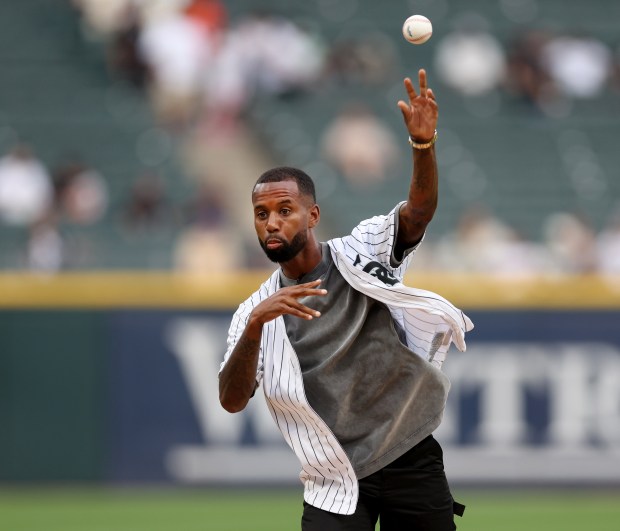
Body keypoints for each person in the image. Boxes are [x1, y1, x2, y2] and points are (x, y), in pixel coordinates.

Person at [219, 69, 473, 530]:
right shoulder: (255, 312)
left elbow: (419, 211)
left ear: (312, 215)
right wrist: (256, 325)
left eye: (284, 210)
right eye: (261, 214)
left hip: (408, 453)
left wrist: (422, 146)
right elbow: (233, 401)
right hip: (333, 476)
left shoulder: (362, 249)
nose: (271, 223)